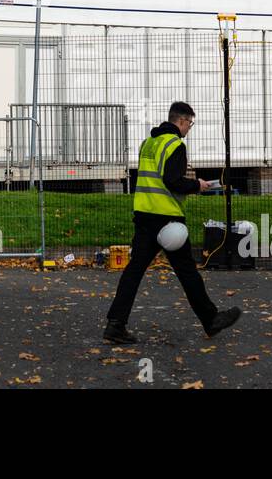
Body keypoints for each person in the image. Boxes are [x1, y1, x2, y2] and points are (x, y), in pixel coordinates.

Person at [103, 101, 241, 343]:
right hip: (167, 220)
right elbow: (173, 181)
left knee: (134, 272)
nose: (189, 128)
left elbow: (152, 178)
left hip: (144, 215)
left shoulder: (149, 143)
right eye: (190, 124)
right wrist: (197, 185)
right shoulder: (175, 144)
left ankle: (115, 324)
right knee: (187, 271)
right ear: (182, 121)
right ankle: (211, 320)